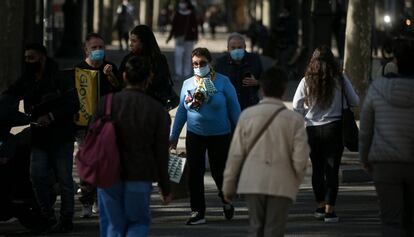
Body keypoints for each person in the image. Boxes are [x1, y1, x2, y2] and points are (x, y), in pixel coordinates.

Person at [223, 67, 310, 237]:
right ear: (284, 90)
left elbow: (236, 155)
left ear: (262, 89)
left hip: (252, 181)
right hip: (281, 183)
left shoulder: (247, 115)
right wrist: (295, 180)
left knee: (256, 227)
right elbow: (301, 157)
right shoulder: (294, 120)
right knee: (274, 230)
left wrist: (228, 186)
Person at [3, 43, 80, 233]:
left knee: (64, 179)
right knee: (36, 175)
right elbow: (11, 93)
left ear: (43, 57)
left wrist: (51, 116)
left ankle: (66, 219)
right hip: (39, 136)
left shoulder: (59, 77)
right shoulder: (27, 79)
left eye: (32, 57)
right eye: (26, 58)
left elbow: (72, 103)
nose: (28, 62)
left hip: (61, 136)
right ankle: (47, 215)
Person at [97, 56, 172, 237]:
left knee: (113, 226)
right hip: (139, 175)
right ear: (148, 79)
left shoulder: (106, 104)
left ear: (124, 76)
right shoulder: (156, 110)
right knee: (138, 223)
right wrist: (165, 187)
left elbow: (93, 140)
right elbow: (161, 152)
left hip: (107, 175)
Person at [170, 47, 241, 225]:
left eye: (202, 63)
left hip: (220, 135)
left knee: (219, 173)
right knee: (195, 173)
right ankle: (198, 211)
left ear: (210, 63)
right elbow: (181, 112)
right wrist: (174, 136)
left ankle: (226, 200)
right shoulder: (187, 84)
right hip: (196, 135)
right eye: (195, 64)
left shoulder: (223, 82)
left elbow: (234, 109)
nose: (198, 66)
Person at [292, 45, 359, 223]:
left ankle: (320, 206)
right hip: (335, 129)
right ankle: (330, 211)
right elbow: (355, 100)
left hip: (312, 129)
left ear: (312, 61)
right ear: (333, 61)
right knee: (332, 169)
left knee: (318, 169)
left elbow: (295, 105)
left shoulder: (306, 81)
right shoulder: (340, 80)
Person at [359, 38, 414, 237]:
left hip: (385, 162)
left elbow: (365, 129)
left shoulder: (378, 88)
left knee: (390, 221)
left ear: (396, 63)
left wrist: (364, 157)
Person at [74, 32, 122, 218]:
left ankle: (99, 201)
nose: (98, 51)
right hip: (84, 126)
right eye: (94, 48)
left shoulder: (110, 68)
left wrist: (111, 76)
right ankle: (86, 202)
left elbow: (120, 91)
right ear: (86, 50)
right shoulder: (79, 70)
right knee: (87, 164)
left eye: (101, 47)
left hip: (106, 125)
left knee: (104, 164)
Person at [120, 25, 178, 110]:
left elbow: (163, 84)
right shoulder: (128, 59)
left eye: (134, 41)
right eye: (130, 41)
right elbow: (120, 82)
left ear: (143, 42)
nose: (130, 44)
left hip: (153, 107)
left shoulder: (158, 60)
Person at [215, 32, 263, 110]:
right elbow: (213, 84)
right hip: (228, 107)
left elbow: (266, 80)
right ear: (228, 48)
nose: (236, 50)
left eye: (240, 47)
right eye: (233, 48)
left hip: (250, 106)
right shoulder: (220, 63)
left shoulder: (254, 60)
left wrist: (257, 82)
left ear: (245, 47)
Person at [166, 0, 198, 80]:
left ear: (187, 4)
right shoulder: (177, 13)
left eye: (183, 2)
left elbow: (195, 27)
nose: (182, 4)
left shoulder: (191, 14)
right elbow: (173, 27)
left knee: (188, 56)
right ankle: (178, 73)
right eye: (181, 2)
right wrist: (169, 37)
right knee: (178, 55)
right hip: (179, 39)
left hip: (189, 39)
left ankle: (187, 74)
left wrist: (195, 37)